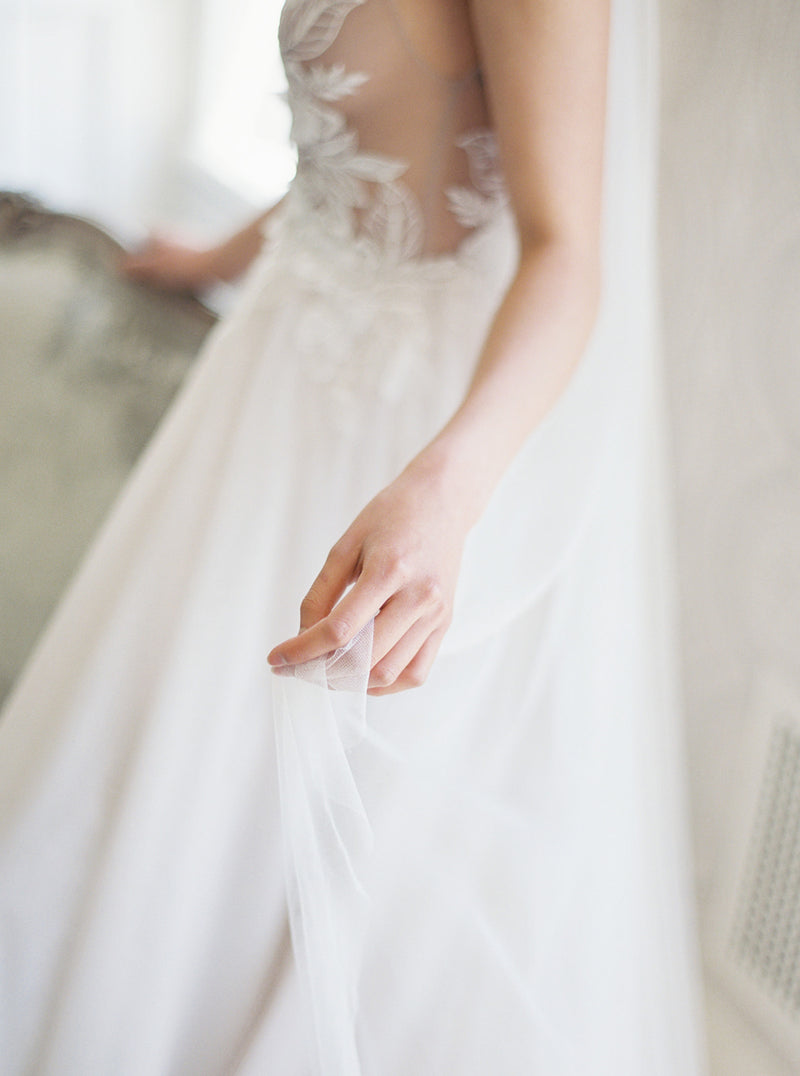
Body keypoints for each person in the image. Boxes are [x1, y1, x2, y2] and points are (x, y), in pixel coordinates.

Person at [0, 1, 709, 1073]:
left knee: (348, 811)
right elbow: (363, 142)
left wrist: (443, 495)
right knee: (181, 751)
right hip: (278, 365)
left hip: (405, 426)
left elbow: (566, 260)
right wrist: (218, 255)